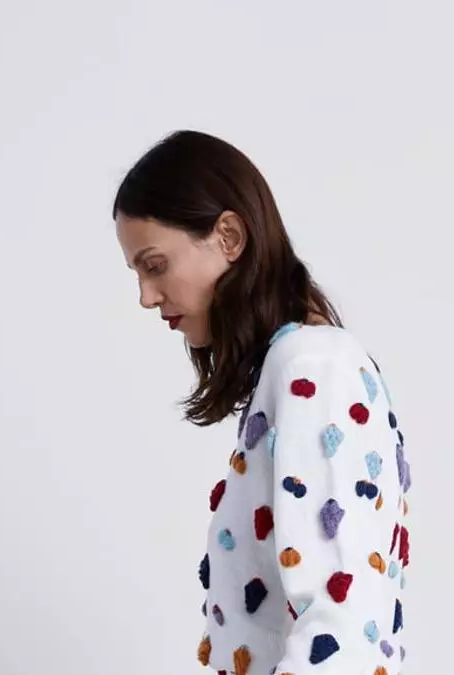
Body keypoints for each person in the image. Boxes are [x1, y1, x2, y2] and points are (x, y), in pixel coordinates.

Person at [113, 130, 412, 675]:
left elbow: (339, 620)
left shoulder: (312, 366)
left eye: (155, 266)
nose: (146, 297)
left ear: (229, 236)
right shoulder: (294, 367)